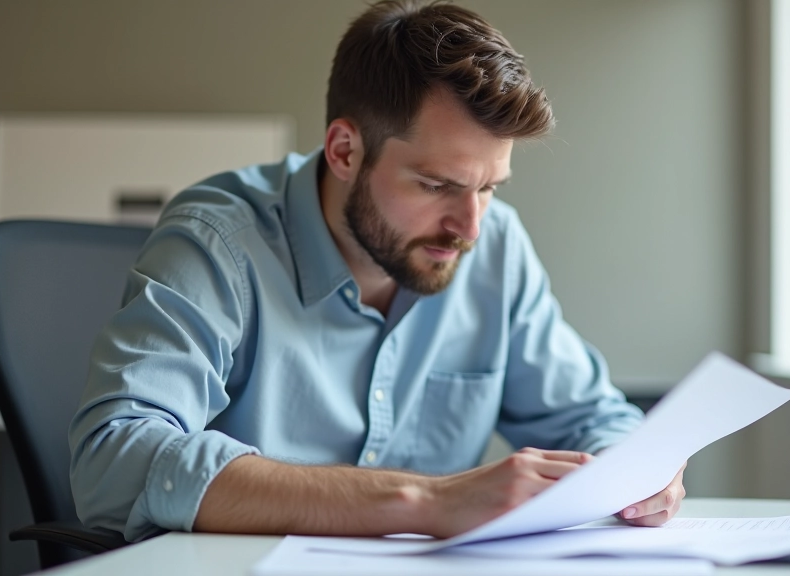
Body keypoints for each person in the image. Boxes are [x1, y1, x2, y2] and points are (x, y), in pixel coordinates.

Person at [69, 0, 686, 542]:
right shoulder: (218, 243)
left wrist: (636, 467)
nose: (469, 226)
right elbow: (114, 458)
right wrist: (426, 501)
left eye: (489, 188)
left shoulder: (494, 245)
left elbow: (593, 417)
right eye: (436, 185)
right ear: (345, 151)